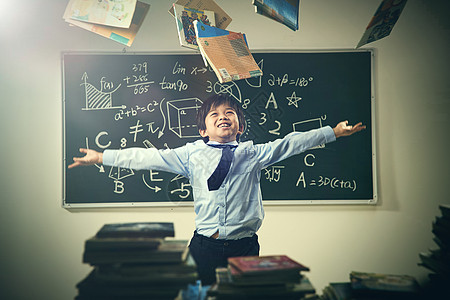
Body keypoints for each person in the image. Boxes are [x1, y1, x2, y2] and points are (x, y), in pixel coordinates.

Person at [68, 94, 365, 285]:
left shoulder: (252, 153)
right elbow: (148, 157)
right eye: (214, 114)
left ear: (239, 126)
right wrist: (102, 157)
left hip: (245, 246)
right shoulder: (191, 154)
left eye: (230, 113)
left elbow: (290, 143)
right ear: (203, 130)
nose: (223, 116)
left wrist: (334, 132)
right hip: (204, 246)